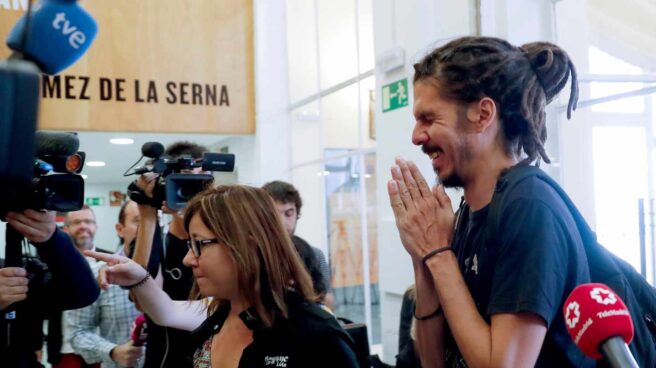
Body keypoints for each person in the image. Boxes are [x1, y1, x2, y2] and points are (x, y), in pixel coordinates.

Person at [387, 36, 594, 367]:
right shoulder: (468, 214)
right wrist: (422, 257)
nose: (416, 136)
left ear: (482, 115)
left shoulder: (529, 205)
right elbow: (431, 362)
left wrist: (438, 255)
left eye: (428, 118)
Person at [86, 185, 359, 367]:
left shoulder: (316, 335)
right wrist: (139, 277)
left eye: (199, 244)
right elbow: (165, 311)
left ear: (246, 243)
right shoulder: (214, 318)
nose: (188, 258)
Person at [130, 141, 209, 368]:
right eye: (184, 179)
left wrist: (195, 221)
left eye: (199, 181)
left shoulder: (223, 243)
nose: (192, 191)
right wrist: (147, 213)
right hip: (164, 359)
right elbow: (142, 301)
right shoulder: (152, 238)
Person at [0, 209, 100, 368]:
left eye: (89, 221)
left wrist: (51, 238)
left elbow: (83, 293)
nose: (83, 226)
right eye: (77, 222)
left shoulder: (18, 272)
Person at [66, 202, 143, 368]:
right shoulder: (99, 274)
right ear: (120, 229)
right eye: (139, 220)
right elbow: (78, 332)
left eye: (155, 220)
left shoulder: (178, 270)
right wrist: (112, 351)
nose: (149, 227)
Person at [262, 181, 333, 308]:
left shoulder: (314, 254)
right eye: (274, 215)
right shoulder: (250, 255)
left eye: (289, 214)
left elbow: (326, 299)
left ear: (297, 214)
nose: (283, 222)